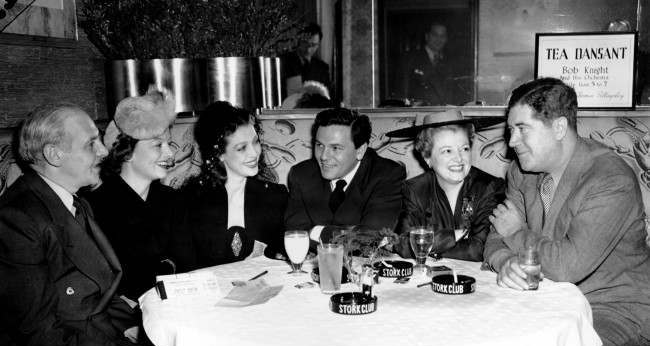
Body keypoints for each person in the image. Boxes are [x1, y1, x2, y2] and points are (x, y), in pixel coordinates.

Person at [484, 77, 650, 346]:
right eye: (510, 130)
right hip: (549, 299)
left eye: (522, 129)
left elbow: (568, 264)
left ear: (559, 128)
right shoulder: (522, 172)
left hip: (617, 304)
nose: (512, 142)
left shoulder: (610, 178)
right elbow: (492, 236)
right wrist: (505, 259)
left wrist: (514, 236)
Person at [0, 103, 166, 346]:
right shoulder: (17, 219)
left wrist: (143, 328)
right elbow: (38, 330)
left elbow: (96, 297)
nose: (104, 151)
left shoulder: (71, 201)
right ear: (54, 154)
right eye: (92, 143)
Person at [86, 88, 195, 300]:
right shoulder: (95, 206)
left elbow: (187, 267)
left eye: (168, 144)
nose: (170, 154)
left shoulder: (173, 200)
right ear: (126, 153)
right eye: (157, 146)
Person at [390, 109, 505, 261]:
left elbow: (477, 249)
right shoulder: (415, 189)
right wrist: (453, 236)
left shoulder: (487, 187)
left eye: (464, 149)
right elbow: (402, 244)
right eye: (447, 151)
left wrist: (426, 248)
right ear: (427, 157)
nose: (459, 158)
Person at [183, 101, 288, 267]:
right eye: (241, 148)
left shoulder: (276, 197)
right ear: (219, 154)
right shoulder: (192, 200)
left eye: (255, 142)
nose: (254, 153)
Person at [285, 107, 405, 244]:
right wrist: (349, 233)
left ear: (360, 150)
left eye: (335, 148)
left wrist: (317, 232)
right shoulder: (301, 174)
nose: (323, 156)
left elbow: (372, 237)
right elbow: (294, 235)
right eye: (319, 145)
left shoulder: (388, 174)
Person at [402, 22, 466, 106]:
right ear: (427, 37)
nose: (438, 39)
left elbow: (454, 93)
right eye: (435, 35)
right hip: (419, 114)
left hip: (445, 114)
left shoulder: (450, 61)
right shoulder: (410, 58)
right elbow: (402, 92)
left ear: (446, 39)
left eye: (442, 36)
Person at [283, 22, 331, 97]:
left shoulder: (322, 68)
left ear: (318, 44)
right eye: (305, 43)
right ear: (298, 41)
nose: (308, 49)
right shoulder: (284, 62)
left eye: (313, 45)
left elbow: (327, 97)